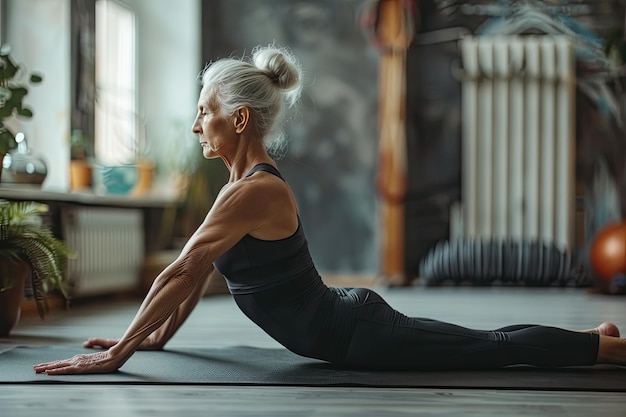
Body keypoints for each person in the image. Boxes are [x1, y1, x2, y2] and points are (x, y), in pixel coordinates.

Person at [35, 44, 626, 375]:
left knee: (490, 350)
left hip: (354, 332)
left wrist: (120, 352)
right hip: (345, 325)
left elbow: (180, 270)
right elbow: (197, 272)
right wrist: (156, 340)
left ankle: (602, 347)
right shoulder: (236, 191)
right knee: (485, 343)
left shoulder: (255, 191)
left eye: (204, 112)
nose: (195, 126)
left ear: (238, 119)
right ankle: (591, 336)